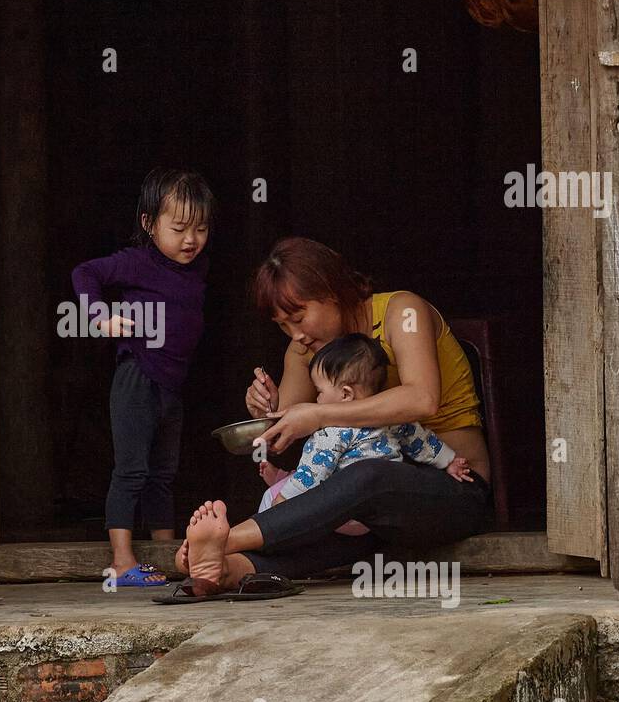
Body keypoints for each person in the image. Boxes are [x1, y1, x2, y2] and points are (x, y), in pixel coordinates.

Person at [174, 236, 493, 598]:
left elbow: (422, 399)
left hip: (453, 489)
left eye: (298, 317)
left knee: (366, 477)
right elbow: (285, 426)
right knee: (336, 521)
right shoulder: (304, 349)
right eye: (282, 326)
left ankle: (229, 539)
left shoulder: (402, 312)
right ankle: (222, 570)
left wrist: (320, 414)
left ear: (333, 290)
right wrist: (265, 407)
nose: (296, 335)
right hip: (371, 514)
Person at [71, 169, 214, 586]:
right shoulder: (137, 262)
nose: (191, 239)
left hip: (172, 383)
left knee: (163, 474)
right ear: (150, 225)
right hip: (137, 376)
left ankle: (168, 557)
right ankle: (122, 561)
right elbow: (84, 273)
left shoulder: (198, 268)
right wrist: (99, 316)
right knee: (132, 469)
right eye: (179, 228)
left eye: (201, 228)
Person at [256, 332, 471, 513]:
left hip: (344, 510)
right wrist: (449, 461)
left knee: (272, 497)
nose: (317, 399)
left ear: (346, 394)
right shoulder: (391, 419)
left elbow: (313, 473)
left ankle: (268, 532)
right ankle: (284, 478)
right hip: (383, 507)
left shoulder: (331, 433)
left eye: (319, 391)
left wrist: (282, 501)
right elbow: (421, 441)